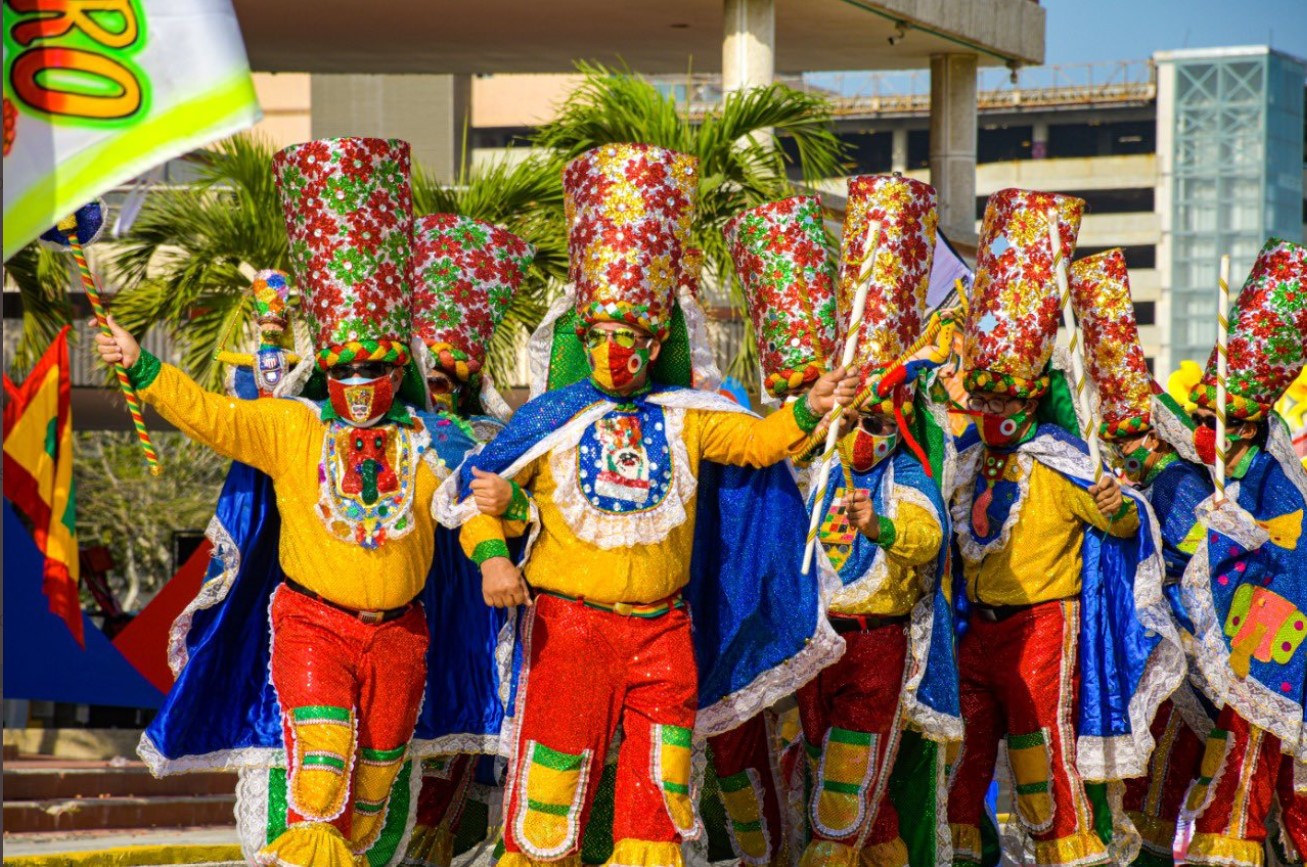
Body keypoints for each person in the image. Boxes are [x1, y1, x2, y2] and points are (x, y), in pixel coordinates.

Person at [433, 142, 852, 867]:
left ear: (658, 337)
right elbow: (470, 495)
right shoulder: (551, 416)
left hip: (663, 635)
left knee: (658, 804)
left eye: (630, 335)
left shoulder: (687, 414)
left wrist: (808, 408)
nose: (613, 351)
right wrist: (494, 557)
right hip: (568, 632)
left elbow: (758, 444)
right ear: (581, 334)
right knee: (547, 806)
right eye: (599, 335)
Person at [102, 137, 454, 866]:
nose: (358, 381)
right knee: (320, 780)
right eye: (344, 367)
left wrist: (502, 518)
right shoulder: (295, 426)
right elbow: (215, 416)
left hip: (401, 637)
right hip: (313, 627)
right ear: (326, 367)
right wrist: (141, 365)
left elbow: (484, 497)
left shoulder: (430, 437)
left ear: (398, 367)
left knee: (375, 789)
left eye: (374, 367)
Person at [944, 189, 1183, 867]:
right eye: (982, 395)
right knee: (965, 754)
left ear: (1030, 396)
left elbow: (1123, 520)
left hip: (1042, 626)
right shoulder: (962, 468)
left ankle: (1066, 853)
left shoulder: (1058, 462)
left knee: (1038, 750)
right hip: (973, 631)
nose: (993, 408)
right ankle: (965, 852)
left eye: (1005, 396)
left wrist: (1114, 500)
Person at [794, 174, 961, 867]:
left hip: (876, 646)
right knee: (845, 786)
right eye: (852, 418)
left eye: (875, 421)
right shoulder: (819, 467)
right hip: (816, 647)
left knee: (844, 789)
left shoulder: (905, 475)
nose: (862, 433)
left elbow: (929, 538)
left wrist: (880, 528)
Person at [1068, 249, 1214, 867]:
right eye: (1112, 437)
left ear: (1154, 431)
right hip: (1133, 645)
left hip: (1191, 649)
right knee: (1139, 790)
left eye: (1130, 435)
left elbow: (1195, 550)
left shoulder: (1178, 479)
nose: (1122, 449)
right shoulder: (1108, 479)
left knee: (1172, 784)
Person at [1165, 238, 1307, 867]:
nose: (1204, 430)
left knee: (1256, 762)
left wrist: (1239, 528)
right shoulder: (1205, 472)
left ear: (1247, 426)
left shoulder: (1275, 478)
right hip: (1224, 644)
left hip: (1274, 642)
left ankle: (1231, 848)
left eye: (1217, 420)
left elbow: (1286, 557)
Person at [403, 213, 536, 867]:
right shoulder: (380, 420)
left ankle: (434, 846)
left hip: (468, 604)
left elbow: (505, 500)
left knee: (461, 723)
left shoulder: (494, 430)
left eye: (450, 364)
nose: (439, 373)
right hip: (399, 591)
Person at [718, 193, 841, 867]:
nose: (811, 401)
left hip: (850, 645)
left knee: (837, 780)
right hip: (756, 636)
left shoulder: (879, 448)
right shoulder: (745, 441)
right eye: (795, 388)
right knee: (743, 765)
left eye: (820, 387)